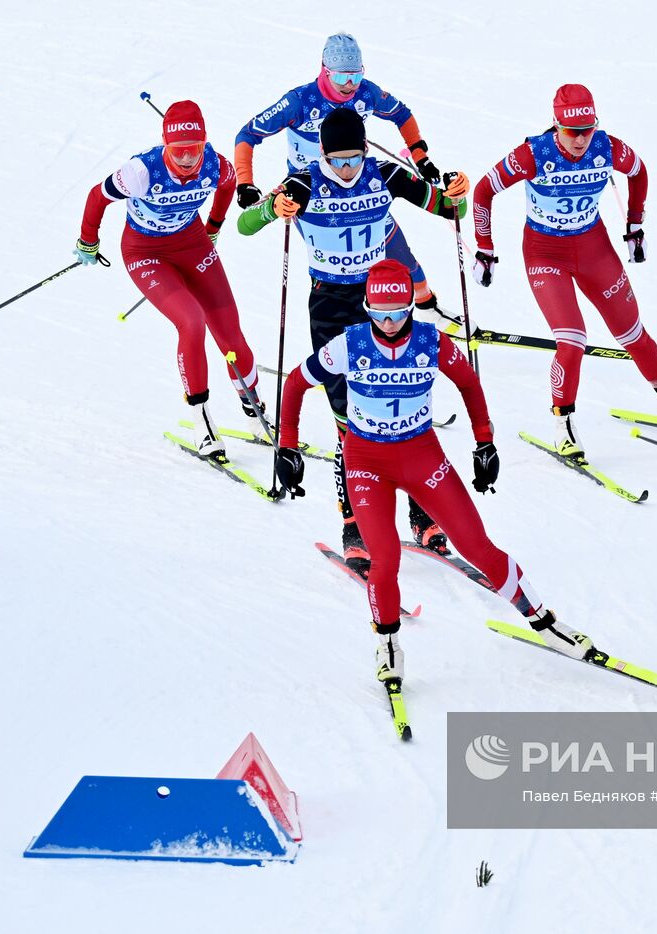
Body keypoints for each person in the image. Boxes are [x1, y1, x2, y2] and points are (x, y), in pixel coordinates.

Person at [273, 259, 593, 682]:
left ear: (411, 307)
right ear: (366, 307)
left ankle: (544, 621)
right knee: (384, 560)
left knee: (477, 546)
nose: (389, 324)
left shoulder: (432, 342)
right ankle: (388, 644)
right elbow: (295, 383)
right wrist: (288, 446)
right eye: (379, 314)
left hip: (422, 455)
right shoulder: (348, 345)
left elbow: (469, 384)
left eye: (399, 313)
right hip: (366, 462)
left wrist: (484, 442)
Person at [238, 108, 469, 569]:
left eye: (354, 159)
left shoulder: (384, 174)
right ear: (322, 153)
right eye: (338, 160)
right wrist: (271, 207)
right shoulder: (303, 184)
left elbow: (449, 208)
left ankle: (420, 514)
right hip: (331, 306)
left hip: (383, 300)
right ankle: (354, 522)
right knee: (351, 418)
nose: (347, 170)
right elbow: (245, 224)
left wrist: (458, 194)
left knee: (400, 407)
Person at [470, 83, 657, 461]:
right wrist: (485, 248)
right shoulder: (533, 153)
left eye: (587, 130)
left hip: (593, 248)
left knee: (633, 332)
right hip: (546, 252)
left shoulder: (607, 147)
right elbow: (483, 191)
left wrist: (635, 225)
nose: (581, 140)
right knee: (572, 339)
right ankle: (562, 422)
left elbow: (640, 172)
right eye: (571, 132)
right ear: (556, 126)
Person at [75, 100, 262, 458]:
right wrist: (88, 240)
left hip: (191, 244)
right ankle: (202, 421)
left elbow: (228, 185)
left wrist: (214, 227)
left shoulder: (214, 163)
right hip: (145, 252)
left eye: (195, 149)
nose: (188, 158)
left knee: (229, 331)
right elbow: (97, 197)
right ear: (165, 145)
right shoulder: (140, 172)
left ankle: (255, 412)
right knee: (191, 321)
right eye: (179, 151)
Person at [233, 32, 450, 316]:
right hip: (308, 190)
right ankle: (343, 328)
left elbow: (402, 114)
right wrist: (245, 183)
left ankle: (427, 306)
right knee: (341, 262)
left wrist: (420, 156)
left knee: (397, 253)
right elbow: (247, 134)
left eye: (356, 76)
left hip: (358, 182)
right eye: (340, 78)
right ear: (324, 71)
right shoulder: (300, 101)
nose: (349, 85)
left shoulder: (367, 94)